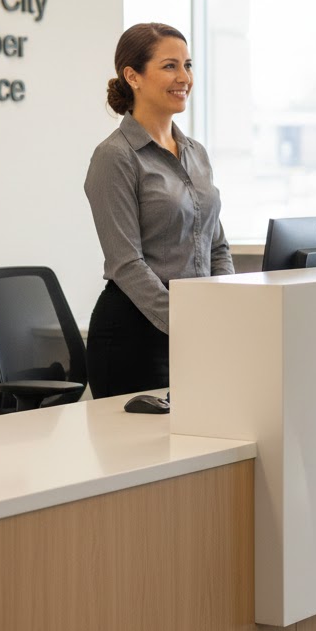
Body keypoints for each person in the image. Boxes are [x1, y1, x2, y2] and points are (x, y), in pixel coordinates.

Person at [84, 22, 233, 398]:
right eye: (170, 66)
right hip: (134, 335)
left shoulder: (196, 152)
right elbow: (126, 262)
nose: (184, 77)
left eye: (188, 65)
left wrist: (226, 302)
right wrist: (186, 322)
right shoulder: (114, 156)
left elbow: (217, 246)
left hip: (196, 329)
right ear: (132, 76)